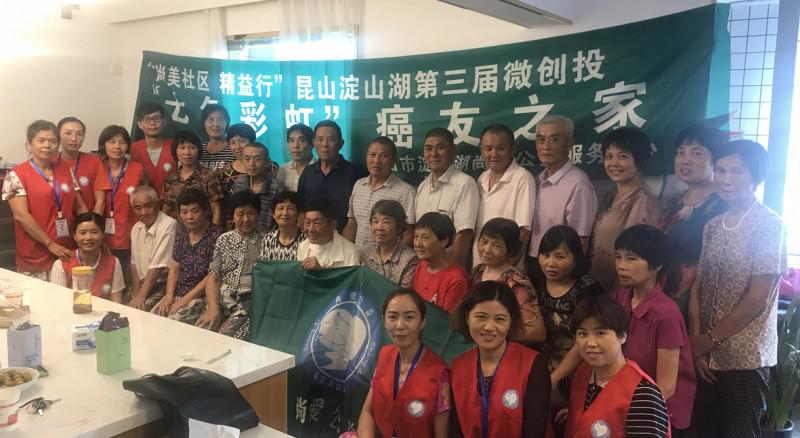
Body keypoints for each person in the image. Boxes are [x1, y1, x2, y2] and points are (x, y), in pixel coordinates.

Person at [690, 140, 787, 438]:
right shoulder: (713, 225)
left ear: (755, 177)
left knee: (740, 431)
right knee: (705, 429)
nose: (726, 179)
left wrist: (710, 339)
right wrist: (697, 343)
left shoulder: (770, 224)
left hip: (745, 355)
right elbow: (698, 285)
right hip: (705, 352)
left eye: (737, 172)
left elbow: (758, 298)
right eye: (720, 170)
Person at [612, 225, 696, 436]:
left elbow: (666, 387)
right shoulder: (621, 297)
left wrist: (615, 406)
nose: (621, 266)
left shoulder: (666, 314)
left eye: (631, 259)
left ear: (657, 265)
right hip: (627, 398)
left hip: (660, 413)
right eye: (618, 257)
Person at [450, 281, 551, 437]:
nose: (489, 327)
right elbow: (455, 432)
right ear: (467, 317)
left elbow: (535, 432)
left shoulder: (534, 365)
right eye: (481, 317)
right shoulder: (457, 367)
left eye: (500, 319)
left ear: (511, 322)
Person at [561, 294, 670, 437]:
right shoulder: (580, 374)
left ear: (623, 336)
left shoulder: (643, 395)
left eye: (600, 333)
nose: (590, 343)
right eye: (582, 334)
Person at [354, 289, 451, 438]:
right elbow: (367, 412)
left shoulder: (439, 373)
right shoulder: (384, 355)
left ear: (422, 322)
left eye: (409, 317)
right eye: (392, 317)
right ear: (384, 319)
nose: (400, 325)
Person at [3, 120, 87, 280]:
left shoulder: (66, 170)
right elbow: (21, 215)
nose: (47, 145)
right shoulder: (16, 174)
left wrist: (88, 234)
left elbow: (80, 206)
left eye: (52, 141)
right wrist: (50, 244)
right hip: (36, 253)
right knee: (38, 302)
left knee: (67, 300)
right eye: (41, 140)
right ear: (29, 144)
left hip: (66, 250)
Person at [660, 126, 727, 314]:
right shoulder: (673, 202)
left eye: (696, 153)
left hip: (701, 302)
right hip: (663, 297)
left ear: (716, 160)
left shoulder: (724, 205)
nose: (685, 160)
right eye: (680, 153)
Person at [589, 127, 662, 292]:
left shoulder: (644, 202)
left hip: (621, 293)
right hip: (598, 285)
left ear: (640, 160)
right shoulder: (610, 195)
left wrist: (619, 298)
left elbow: (636, 259)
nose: (613, 163)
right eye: (609, 157)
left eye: (622, 156)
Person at [527, 115, 597, 283]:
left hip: (559, 271)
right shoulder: (536, 180)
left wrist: (566, 279)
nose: (546, 146)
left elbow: (581, 241)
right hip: (534, 263)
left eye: (554, 139)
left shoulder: (579, 183)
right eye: (541, 140)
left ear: (570, 144)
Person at [535, 226, 604, 378]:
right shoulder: (536, 282)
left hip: (575, 368)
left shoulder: (588, 290)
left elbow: (586, 340)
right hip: (539, 363)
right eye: (545, 255)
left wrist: (554, 379)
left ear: (576, 257)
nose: (550, 263)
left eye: (560, 257)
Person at [196, 191, 263, 339]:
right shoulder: (223, 240)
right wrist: (213, 308)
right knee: (199, 330)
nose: (245, 219)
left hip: (246, 305)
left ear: (258, 214)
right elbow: (213, 277)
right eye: (240, 214)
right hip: (220, 300)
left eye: (251, 213)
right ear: (232, 216)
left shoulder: (266, 242)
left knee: (224, 336)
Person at [152, 188, 223, 325]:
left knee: (171, 324)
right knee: (152, 319)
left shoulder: (217, 236)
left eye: (195, 211)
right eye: (184, 212)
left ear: (205, 211)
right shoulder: (182, 234)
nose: (189, 216)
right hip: (178, 292)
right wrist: (169, 297)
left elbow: (211, 276)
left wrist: (183, 301)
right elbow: (174, 268)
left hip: (200, 297)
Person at [471, 217, 545, 344]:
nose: (487, 250)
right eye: (484, 241)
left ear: (511, 251)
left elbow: (537, 332)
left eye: (496, 245)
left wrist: (494, 332)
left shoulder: (516, 283)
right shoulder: (478, 271)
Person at [415, 128, 480, 268]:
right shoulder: (422, 187)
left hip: (448, 272)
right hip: (425, 270)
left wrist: (452, 274)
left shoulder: (464, 183)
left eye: (440, 148)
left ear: (453, 150)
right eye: (428, 148)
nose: (433, 154)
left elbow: (464, 235)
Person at [474, 124, 536, 268]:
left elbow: (524, 231)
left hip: (504, 271)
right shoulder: (482, 178)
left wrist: (507, 269)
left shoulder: (522, 178)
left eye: (501, 149)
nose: (494, 154)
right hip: (479, 266)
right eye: (488, 149)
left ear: (513, 148)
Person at [344, 136, 416, 250]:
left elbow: (408, 234)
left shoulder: (406, 191)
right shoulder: (358, 185)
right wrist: (346, 254)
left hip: (389, 264)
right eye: (372, 155)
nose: (376, 161)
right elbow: (352, 224)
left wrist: (394, 261)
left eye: (384, 156)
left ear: (393, 161)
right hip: (358, 261)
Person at [297, 120, 368, 232]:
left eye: (331, 140)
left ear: (341, 143)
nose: (325, 145)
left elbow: (363, 213)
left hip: (347, 241)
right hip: (314, 238)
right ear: (314, 143)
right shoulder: (308, 172)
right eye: (320, 140)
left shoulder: (356, 173)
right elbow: (301, 210)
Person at [99, 125, 147, 288]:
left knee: (128, 277)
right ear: (103, 144)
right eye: (111, 142)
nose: (117, 147)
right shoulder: (96, 167)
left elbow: (147, 200)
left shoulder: (138, 168)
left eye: (122, 142)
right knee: (104, 277)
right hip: (101, 232)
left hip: (131, 231)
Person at [50, 212, 125, 303]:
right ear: (74, 236)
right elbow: (59, 303)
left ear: (102, 235)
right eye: (83, 233)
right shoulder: (61, 264)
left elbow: (116, 302)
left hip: (104, 315)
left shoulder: (113, 262)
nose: (88, 237)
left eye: (94, 232)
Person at [128, 185, 178, 311]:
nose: (143, 212)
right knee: (123, 307)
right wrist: (136, 292)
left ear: (158, 204)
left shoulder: (169, 224)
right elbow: (134, 265)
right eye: (138, 208)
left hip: (163, 285)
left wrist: (141, 296)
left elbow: (158, 266)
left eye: (148, 206)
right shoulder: (136, 228)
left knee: (140, 310)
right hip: (143, 284)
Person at [161, 130, 223, 225]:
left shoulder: (209, 175)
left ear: (198, 150)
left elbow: (216, 208)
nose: (187, 152)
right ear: (175, 151)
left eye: (192, 147)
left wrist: (214, 233)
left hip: (203, 232)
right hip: (175, 232)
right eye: (182, 148)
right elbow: (166, 207)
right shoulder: (170, 179)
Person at [412, 212, 468, 313]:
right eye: (416, 237)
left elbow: (447, 322)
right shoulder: (422, 266)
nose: (418, 243)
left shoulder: (456, 279)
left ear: (444, 241)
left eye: (425, 238)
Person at [57, 116, 109, 214]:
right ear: (58, 135)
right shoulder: (51, 162)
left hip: (87, 220)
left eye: (79, 134)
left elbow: (100, 201)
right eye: (68, 133)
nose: (74, 138)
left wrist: (93, 224)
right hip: (58, 220)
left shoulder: (94, 162)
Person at [362, 200, 419, 288]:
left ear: (399, 228)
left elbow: (404, 294)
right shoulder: (367, 253)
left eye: (386, 222)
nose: (379, 228)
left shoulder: (410, 259)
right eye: (375, 221)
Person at [232, 142, 285, 231]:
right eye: (247, 159)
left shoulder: (276, 187)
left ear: (267, 162)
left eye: (257, 159)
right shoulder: (239, 184)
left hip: (267, 239)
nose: (251, 164)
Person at [297, 198, 361, 269]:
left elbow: (350, 280)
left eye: (317, 223)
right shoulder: (303, 248)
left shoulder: (351, 253)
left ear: (333, 225)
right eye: (307, 222)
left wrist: (321, 273)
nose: (311, 229)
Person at [129, 102, 175, 195]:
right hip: (142, 206)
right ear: (139, 124)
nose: (152, 123)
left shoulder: (176, 147)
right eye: (147, 119)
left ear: (165, 121)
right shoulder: (131, 149)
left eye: (156, 118)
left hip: (171, 205)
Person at [259, 191, 307, 261]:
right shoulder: (267, 240)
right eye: (281, 208)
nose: (285, 213)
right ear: (273, 214)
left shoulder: (306, 240)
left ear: (298, 214)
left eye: (290, 208)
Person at [217, 123, 256, 196]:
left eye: (242, 141)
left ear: (252, 142)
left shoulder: (269, 167)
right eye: (233, 142)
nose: (237, 147)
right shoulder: (223, 172)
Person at [276, 123, 315, 192]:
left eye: (301, 140)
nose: (296, 146)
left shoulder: (320, 169)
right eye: (292, 140)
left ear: (312, 144)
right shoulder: (283, 170)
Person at [198, 104, 235, 171]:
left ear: (227, 123)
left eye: (220, 119)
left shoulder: (234, 149)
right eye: (211, 119)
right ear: (204, 123)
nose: (216, 124)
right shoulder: (198, 149)